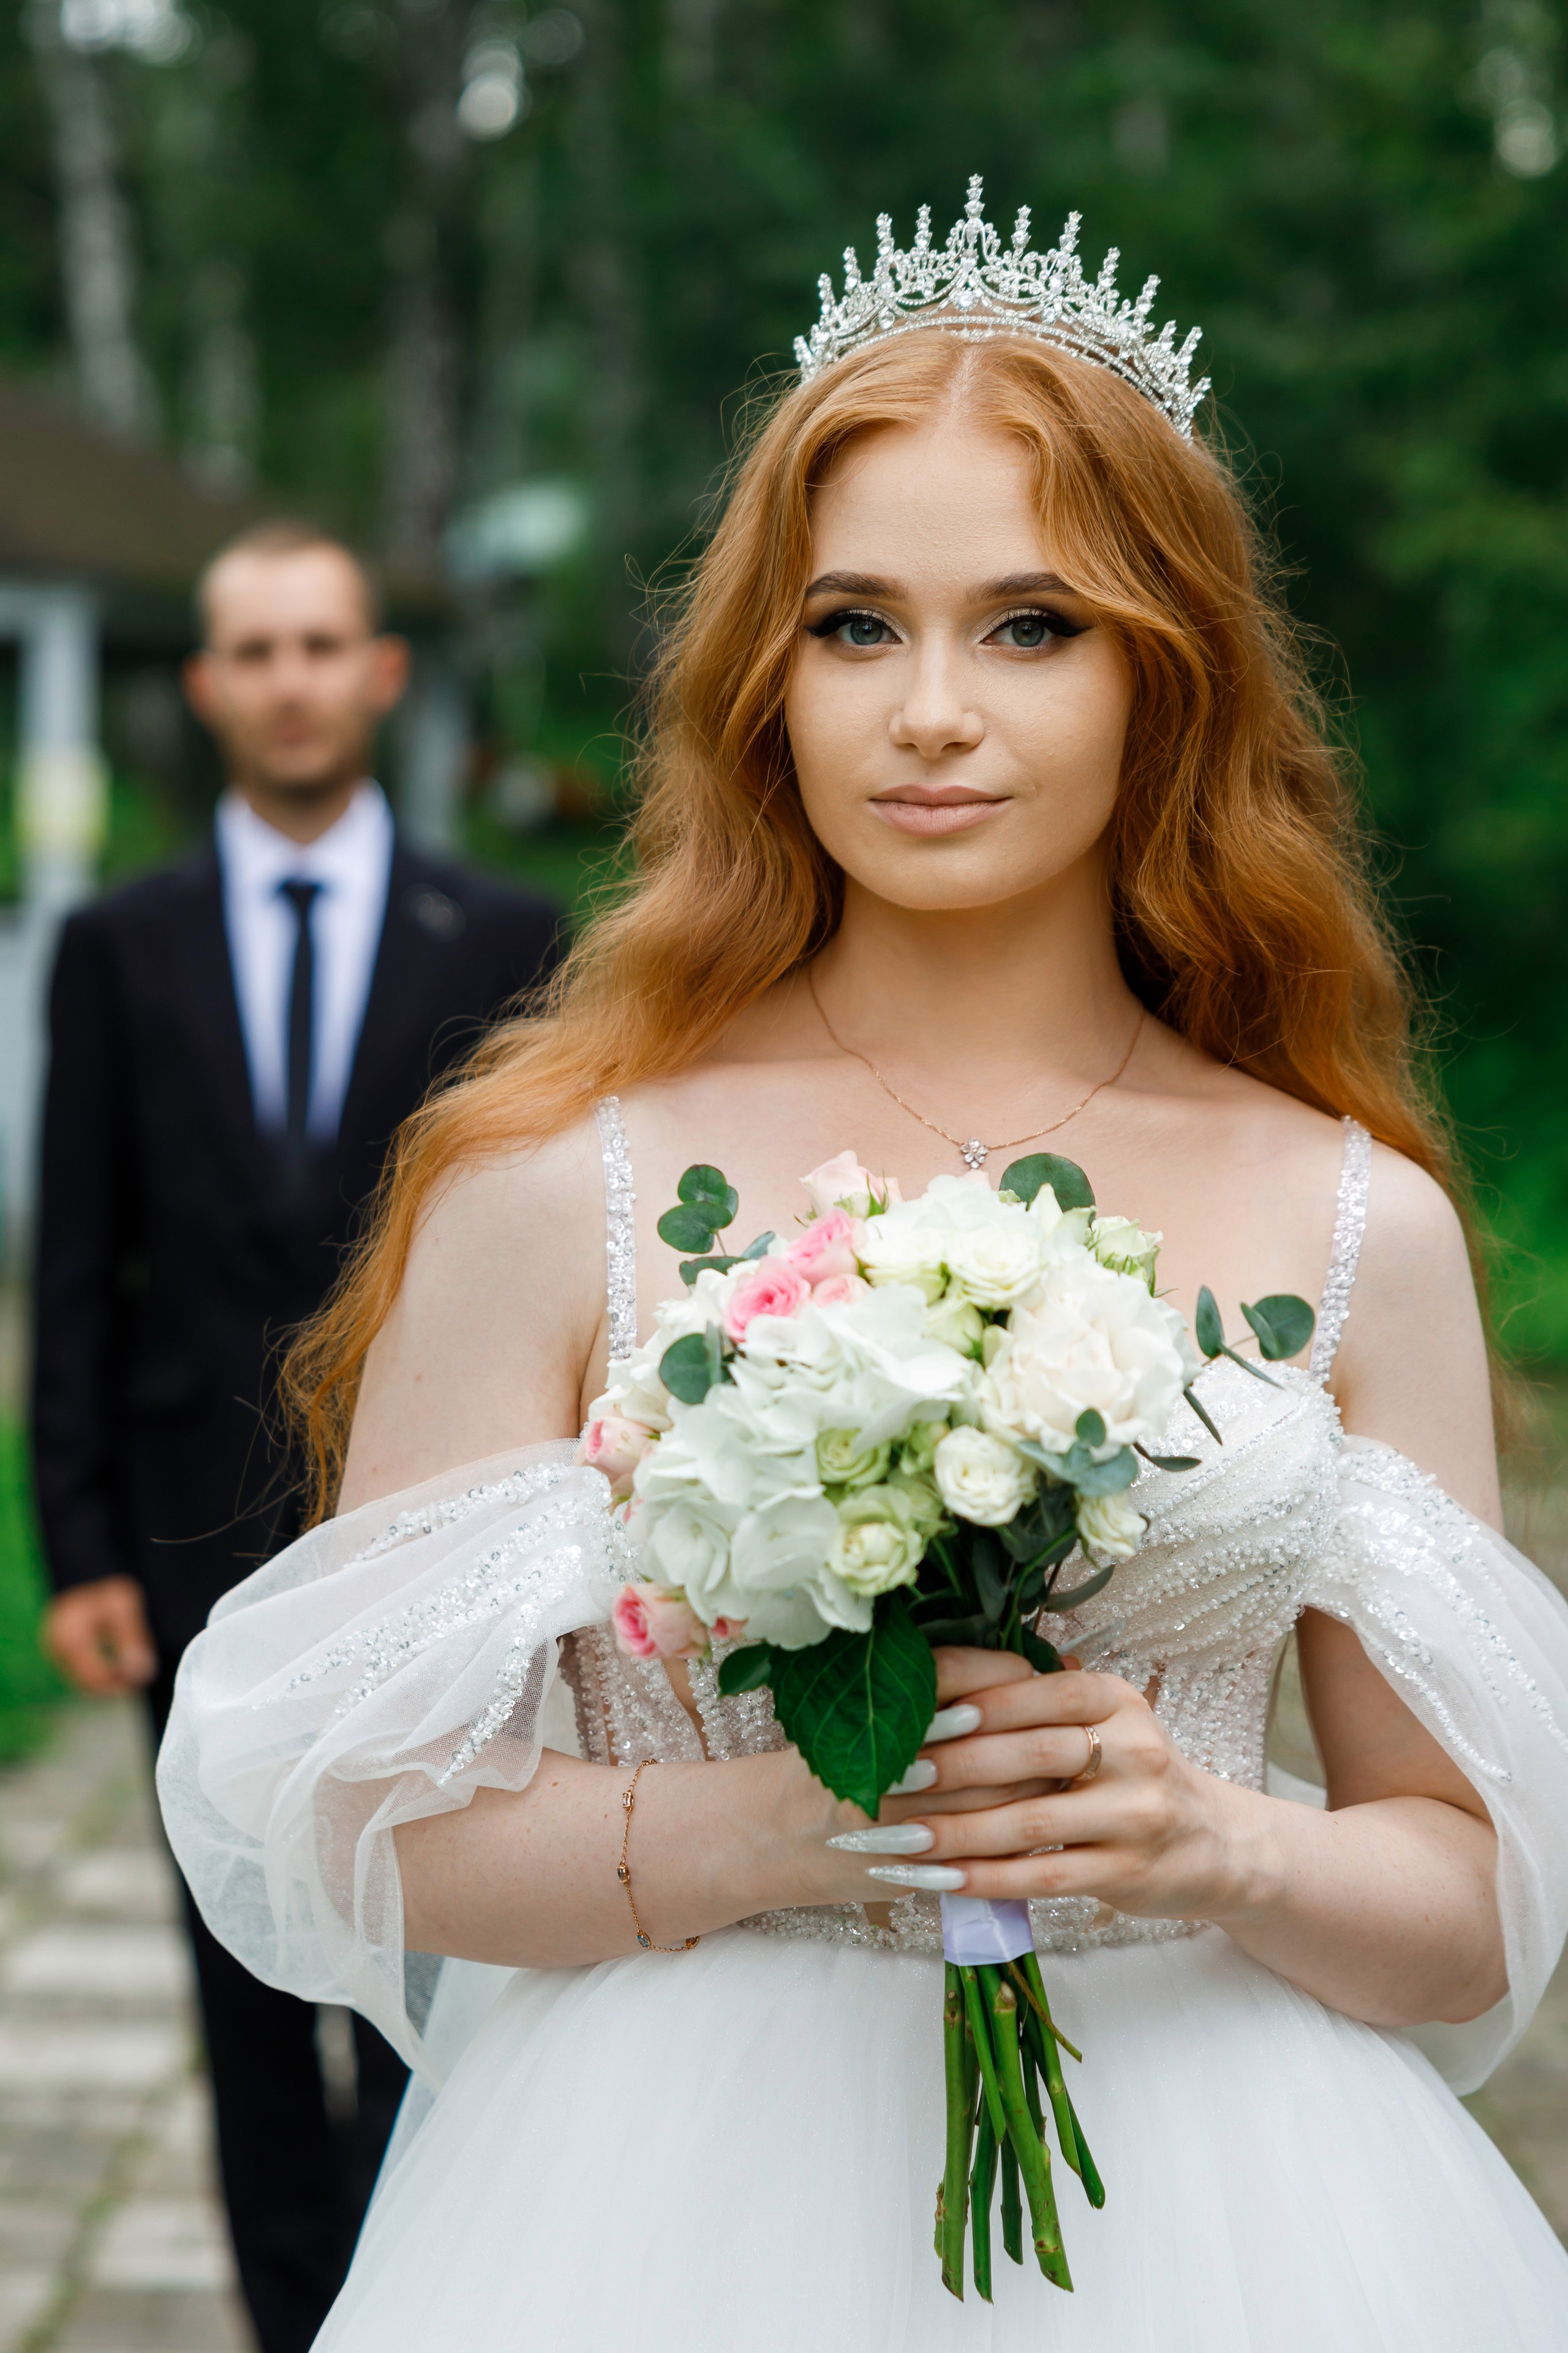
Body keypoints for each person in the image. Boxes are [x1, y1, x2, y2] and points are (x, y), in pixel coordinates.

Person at [156, 191, 1568, 2350]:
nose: (930, 710)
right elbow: (352, 1804)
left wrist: (1219, 1844)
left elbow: (1471, 1899)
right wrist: (787, 1822)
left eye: (1031, 626)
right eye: (853, 627)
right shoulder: (554, 1181)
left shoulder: (1353, 1218)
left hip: (1229, 2193)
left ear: (1166, 669)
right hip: (654, 2200)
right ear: (766, 679)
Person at [32, 518, 560, 2353]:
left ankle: (417, 2306)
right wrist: (76, 1541)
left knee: (436, 1959)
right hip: (188, 1534)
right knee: (244, 1978)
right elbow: (77, 1259)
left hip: (441, 1539)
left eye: (321, 645)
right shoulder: (117, 945)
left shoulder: (509, 938)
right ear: (206, 687)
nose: (291, 682)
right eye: (253, 652)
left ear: (381, 673)